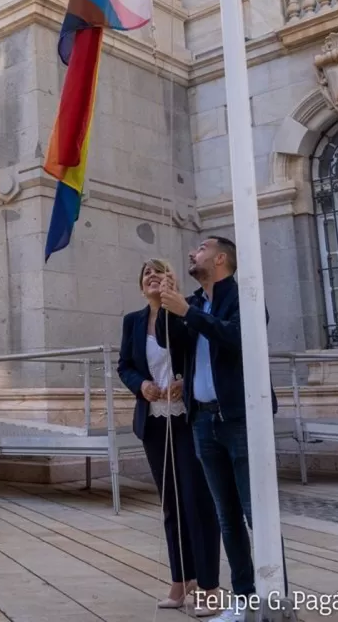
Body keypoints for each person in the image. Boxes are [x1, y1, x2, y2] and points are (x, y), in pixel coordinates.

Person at [159, 237, 280, 622]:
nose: (193, 251)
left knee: (254, 512)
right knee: (226, 515)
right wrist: (162, 304)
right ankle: (244, 600)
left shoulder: (243, 295)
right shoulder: (194, 302)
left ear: (221, 258)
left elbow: (237, 339)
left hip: (241, 418)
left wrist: (188, 313)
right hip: (204, 420)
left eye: (202, 247)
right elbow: (178, 346)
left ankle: (273, 596)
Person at [118, 259, 221, 616]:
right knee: (170, 505)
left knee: (197, 502)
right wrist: (141, 385)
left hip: (186, 419)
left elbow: (195, 355)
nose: (152, 276)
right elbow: (125, 366)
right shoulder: (132, 321)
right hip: (154, 421)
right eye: (146, 272)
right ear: (140, 283)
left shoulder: (184, 312)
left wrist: (184, 383)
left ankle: (208, 585)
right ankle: (181, 579)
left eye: (159, 272)